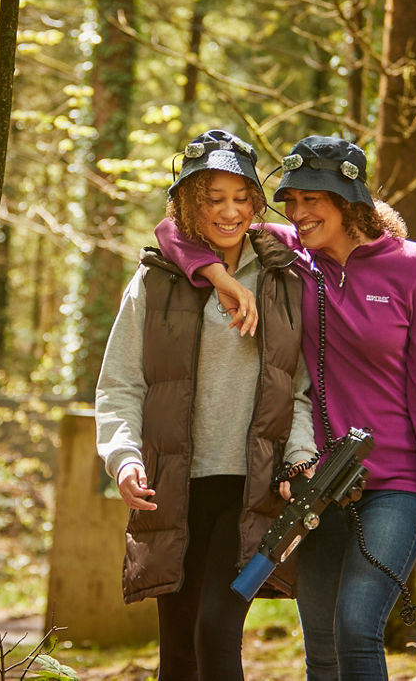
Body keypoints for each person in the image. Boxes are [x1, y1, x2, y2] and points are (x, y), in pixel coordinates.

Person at [154, 135, 416, 680]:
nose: (296, 212)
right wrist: (220, 276)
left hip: (397, 482)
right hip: (315, 482)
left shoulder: (414, 267)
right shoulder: (290, 256)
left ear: (348, 202)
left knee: (355, 627)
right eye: (289, 199)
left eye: (311, 200)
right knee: (319, 645)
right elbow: (174, 231)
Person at [94, 129, 317, 681]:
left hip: (253, 489)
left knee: (217, 630)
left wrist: (300, 455)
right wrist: (122, 457)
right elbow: (120, 383)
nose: (229, 211)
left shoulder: (284, 275)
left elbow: (301, 388)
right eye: (212, 198)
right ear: (188, 202)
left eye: (241, 197)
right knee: (179, 648)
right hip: (173, 486)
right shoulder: (154, 280)